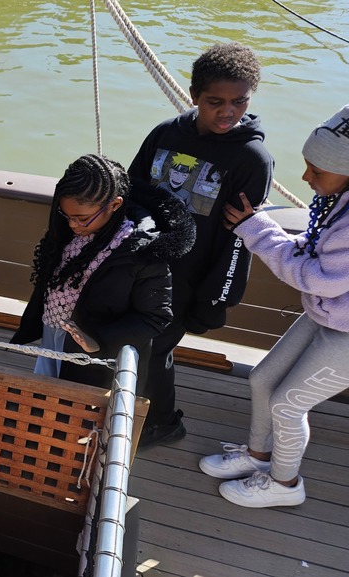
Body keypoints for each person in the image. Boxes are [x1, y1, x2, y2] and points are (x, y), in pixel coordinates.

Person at [198, 103, 349, 508]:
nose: (306, 177)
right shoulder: (341, 199)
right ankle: (258, 455)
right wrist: (262, 225)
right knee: (263, 379)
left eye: (317, 170)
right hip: (330, 313)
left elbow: (316, 277)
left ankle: (285, 483)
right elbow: (316, 249)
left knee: (288, 404)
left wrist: (257, 229)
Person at [128, 42, 274, 448]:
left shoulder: (252, 159)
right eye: (215, 102)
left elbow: (238, 240)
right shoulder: (164, 134)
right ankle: (131, 411)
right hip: (143, 264)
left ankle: (163, 422)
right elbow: (133, 190)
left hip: (190, 280)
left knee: (156, 347)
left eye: (239, 102)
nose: (228, 112)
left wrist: (215, 299)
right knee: (136, 343)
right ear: (194, 96)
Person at [11, 154, 194, 391]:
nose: (73, 225)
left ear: (115, 205)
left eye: (82, 219)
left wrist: (98, 341)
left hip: (98, 359)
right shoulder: (69, 230)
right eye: (67, 216)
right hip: (54, 335)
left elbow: (155, 317)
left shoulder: (143, 254)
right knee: (46, 392)